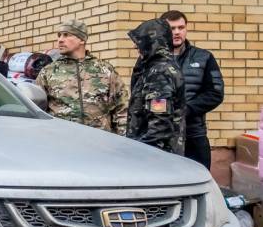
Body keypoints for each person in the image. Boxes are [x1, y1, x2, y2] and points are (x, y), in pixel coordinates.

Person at [34, 18, 127, 134]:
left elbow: (121, 108)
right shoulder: (48, 72)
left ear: (81, 39)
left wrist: (122, 140)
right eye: (59, 35)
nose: (60, 40)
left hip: (100, 142)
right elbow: (37, 110)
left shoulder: (104, 70)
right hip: (63, 141)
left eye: (66, 35)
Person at [162, 10, 224, 170]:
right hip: (161, 136)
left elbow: (215, 93)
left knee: (199, 182)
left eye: (180, 27)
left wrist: (186, 110)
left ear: (186, 29)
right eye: (172, 28)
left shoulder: (203, 57)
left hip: (194, 135)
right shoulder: (151, 60)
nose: (176, 32)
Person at [126, 18, 186, 155]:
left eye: (139, 43)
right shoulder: (155, 68)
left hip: (155, 156)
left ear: (151, 43)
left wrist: (138, 152)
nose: (135, 47)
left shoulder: (159, 72)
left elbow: (160, 125)